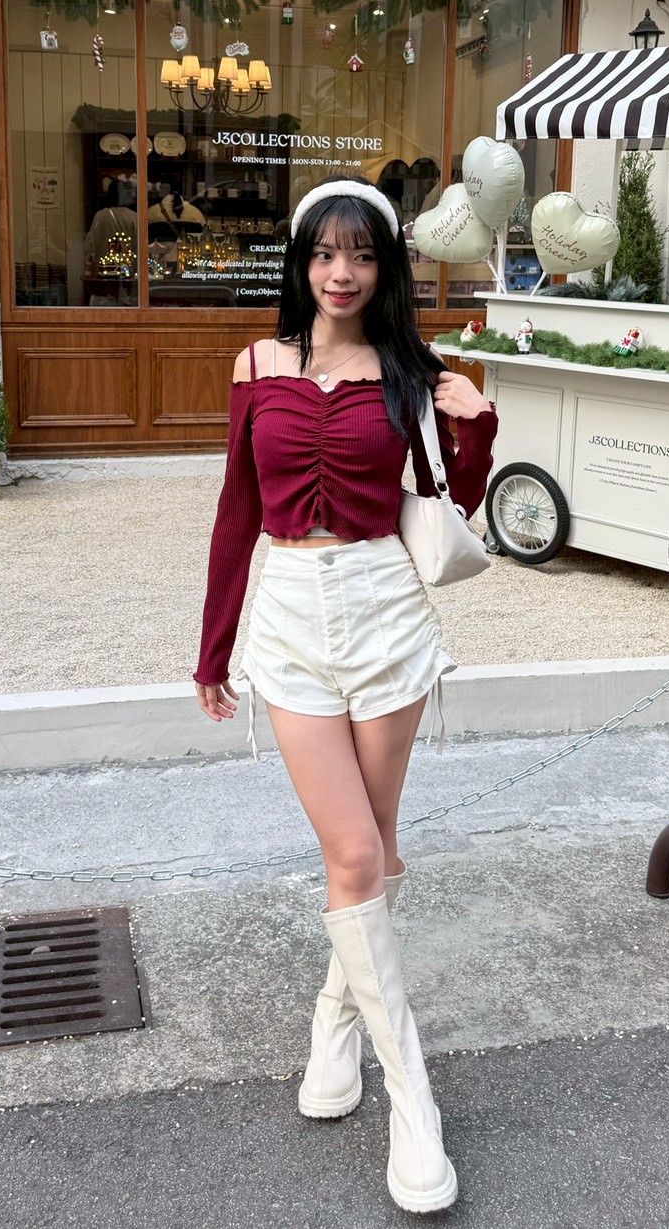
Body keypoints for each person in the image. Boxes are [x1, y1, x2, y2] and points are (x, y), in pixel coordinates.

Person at [193, 176, 497, 1215]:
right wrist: (214, 647)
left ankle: (336, 1023)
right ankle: (413, 1094)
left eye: (362, 254)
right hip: (288, 616)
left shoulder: (411, 372)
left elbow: (456, 496)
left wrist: (476, 420)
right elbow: (237, 508)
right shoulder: (256, 365)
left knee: (370, 847)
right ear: (300, 261)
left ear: (385, 266)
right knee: (358, 851)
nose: (341, 271)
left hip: (385, 611)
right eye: (324, 252)